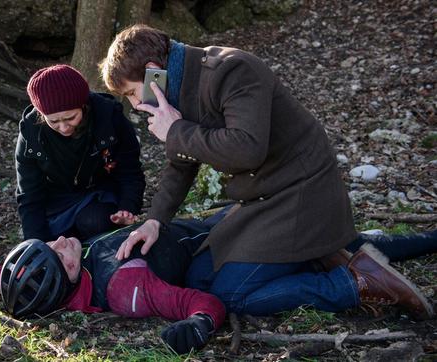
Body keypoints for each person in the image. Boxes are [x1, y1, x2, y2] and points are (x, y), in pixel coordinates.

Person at [98, 25, 434, 319]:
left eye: (131, 92)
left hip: (302, 194)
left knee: (231, 295)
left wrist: (176, 131)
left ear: (154, 70)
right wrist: (155, 221)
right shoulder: (179, 85)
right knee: (200, 278)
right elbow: (183, 160)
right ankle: (320, 256)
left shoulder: (231, 70)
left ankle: (353, 283)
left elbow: (247, 148)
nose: (133, 104)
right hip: (261, 200)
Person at [0, 208, 436, 354]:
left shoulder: (61, 276)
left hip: (215, 227)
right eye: (57, 250)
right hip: (229, 250)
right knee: (247, 292)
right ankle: (350, 282)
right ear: (64, 275)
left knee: (332, 238)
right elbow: (200, 303)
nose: (62, 240)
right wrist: (196, 325)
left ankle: (401, 248)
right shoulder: (126, 287)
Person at [16, 64, 145, 242]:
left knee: (95, 223)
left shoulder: (110, 118)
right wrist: (36, 242)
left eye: (70, 118)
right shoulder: (31, 133)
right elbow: (29, 193)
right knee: (53, 238)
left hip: (100, 193)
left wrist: (127, 207)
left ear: (83, 106)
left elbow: (130, 171)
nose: (63, 127)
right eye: (53, 121)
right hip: (57, 200)